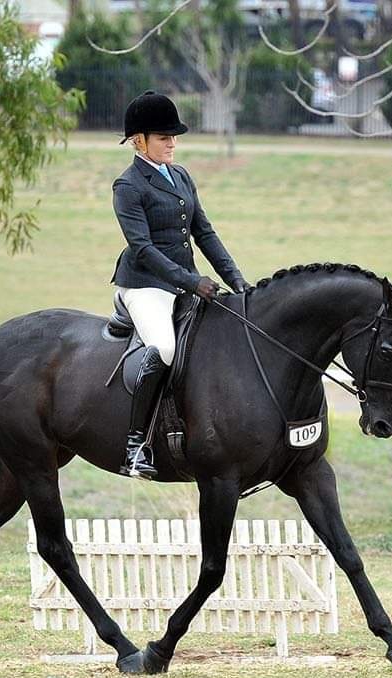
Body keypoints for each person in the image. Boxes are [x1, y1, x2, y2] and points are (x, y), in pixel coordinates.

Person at [111, 90, 249, 479]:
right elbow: (143, 248)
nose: (172, 143)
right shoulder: (128, 186)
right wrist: (192, 281)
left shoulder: (181, 175)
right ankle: (135, 445)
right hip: (145, 285)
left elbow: (204, 232)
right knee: (166, 348)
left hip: (185, 283)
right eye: (163, 137)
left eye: (173, 136)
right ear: (139, 141)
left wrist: (236, 279)